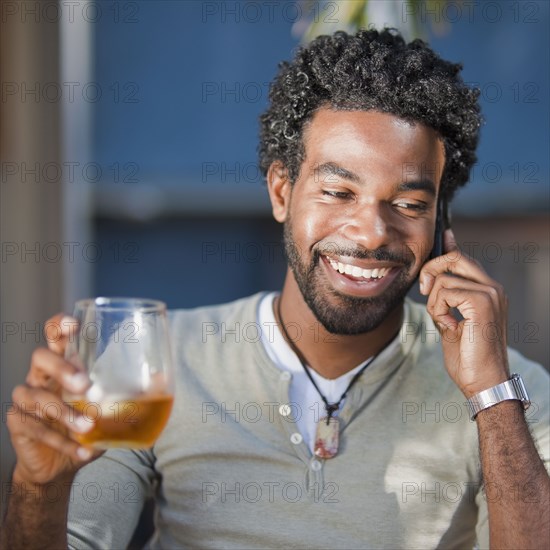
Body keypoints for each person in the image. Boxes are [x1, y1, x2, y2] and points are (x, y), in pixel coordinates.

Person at [2, 28, 549, 549]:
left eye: (409, 204)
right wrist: (39, 487)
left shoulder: (510, 391)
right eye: (337, 191)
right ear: (283, 191)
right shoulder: (157, 364)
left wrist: (491, 397)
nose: (372, 232)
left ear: (440, 223)